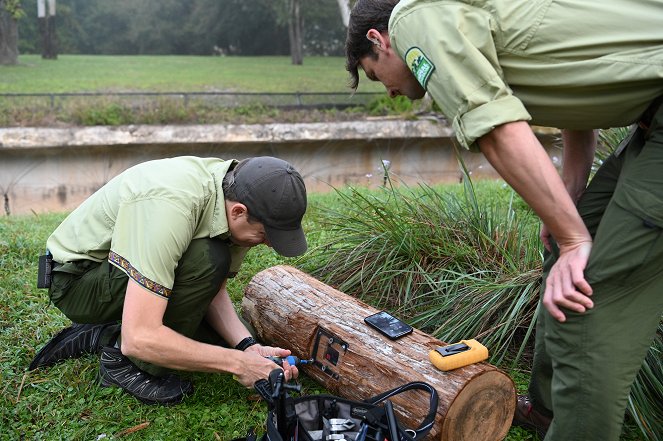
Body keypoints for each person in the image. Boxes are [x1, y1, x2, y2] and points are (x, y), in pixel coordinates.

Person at [345, 1, 663, 440]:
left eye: (377, 76)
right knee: (568, 250)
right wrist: (569, 203)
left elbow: (495, 126)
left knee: (588, 295)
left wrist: (574, 239)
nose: (391, 92)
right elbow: (575, 99)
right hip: (650, 119)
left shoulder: (412, 19)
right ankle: (552, 411)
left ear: (378, 41)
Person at [29, 155, 308, 405]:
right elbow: (140, 337)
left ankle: (111, 327)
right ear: (238, 212)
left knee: (220, 335)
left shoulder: (239, 193)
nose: (268, 245)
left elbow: (212, 288)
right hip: (79, 281)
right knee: (208, 259)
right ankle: (122, 363)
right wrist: (239, 364)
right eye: (265, 236)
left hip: (117, 273)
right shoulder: (172, 204)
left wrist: (248, 347)